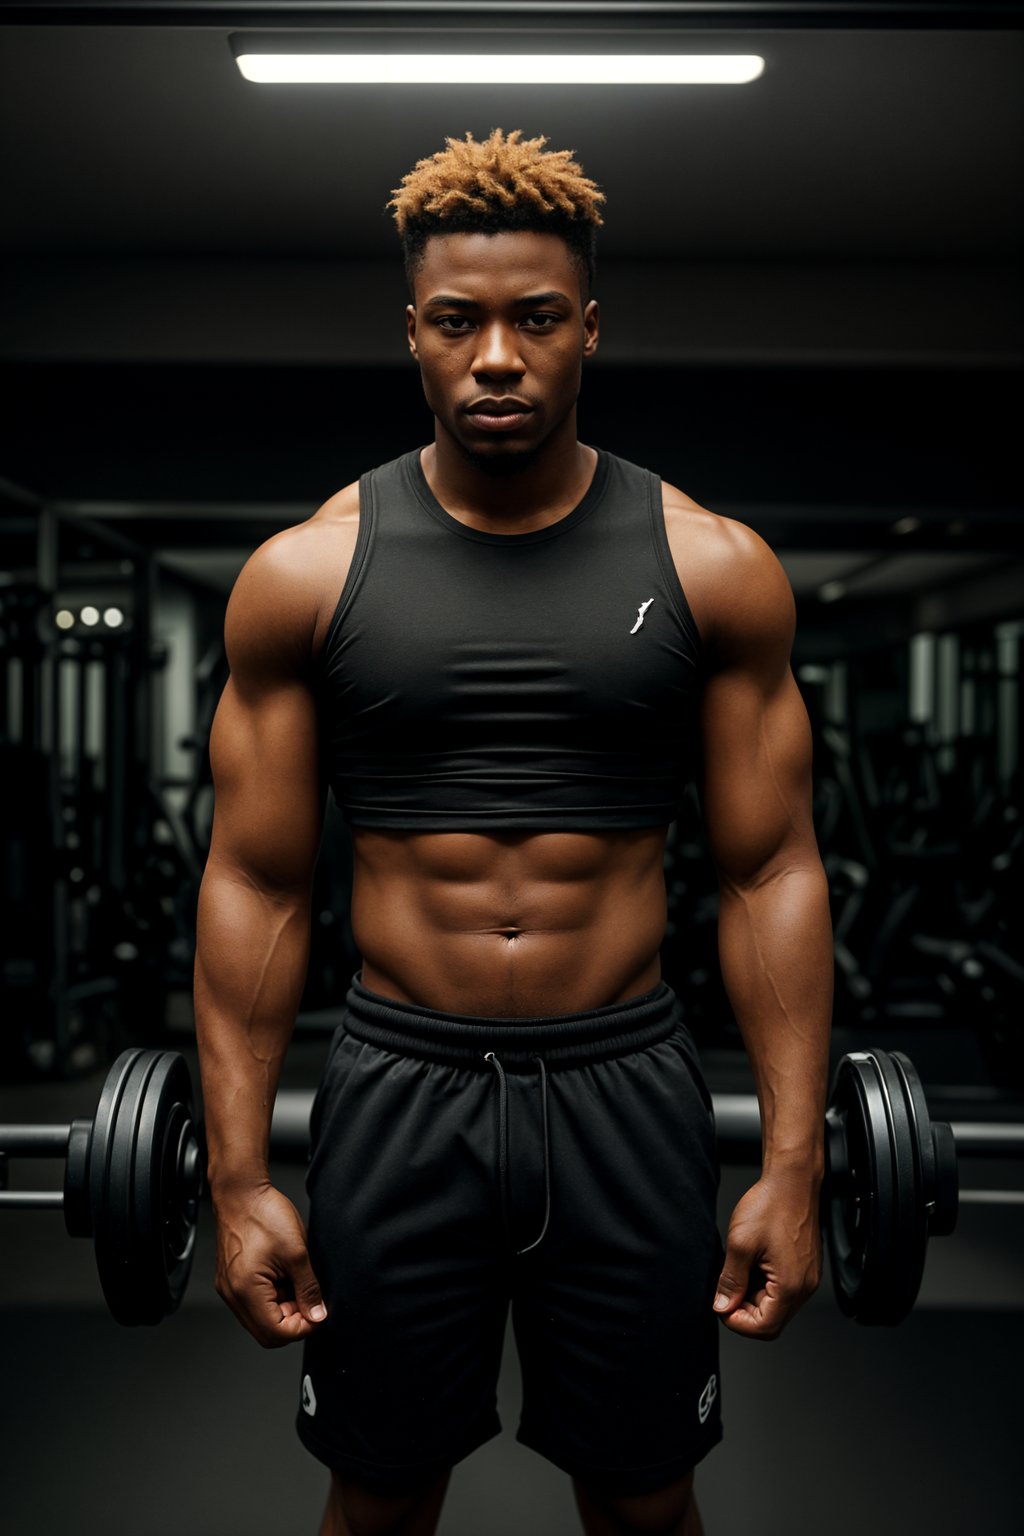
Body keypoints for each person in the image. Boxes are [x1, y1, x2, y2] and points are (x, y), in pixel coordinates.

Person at [194, 128, 833, 1536]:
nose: (497, 356)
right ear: (411, 333)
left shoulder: (711, 564)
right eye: (458, 320)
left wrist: (793, 1166)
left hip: (625, 1084)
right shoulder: (305, 574)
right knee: (377, 1495)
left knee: (648, 1496)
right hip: (397, 1087)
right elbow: (255, 878)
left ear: (588, 330)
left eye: (537, 319)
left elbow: (771, 867)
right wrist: (238, 1180)